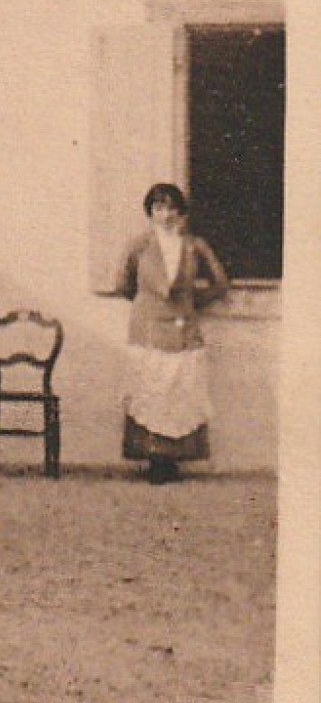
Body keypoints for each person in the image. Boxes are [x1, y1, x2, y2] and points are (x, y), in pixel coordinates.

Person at [115, 183, 229, 484]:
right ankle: (153, 459)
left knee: (180, 388)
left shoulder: (194, 246)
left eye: (171, 208)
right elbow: (122, 284)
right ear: (150, 212)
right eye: (158, 208)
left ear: (180, 212)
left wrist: (191, 303)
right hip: (149, 329)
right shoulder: (138, 245)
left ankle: (175, 459)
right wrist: (146, 305)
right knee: (151, 388)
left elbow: (219, 284)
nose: (165, 214)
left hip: (182, 328)